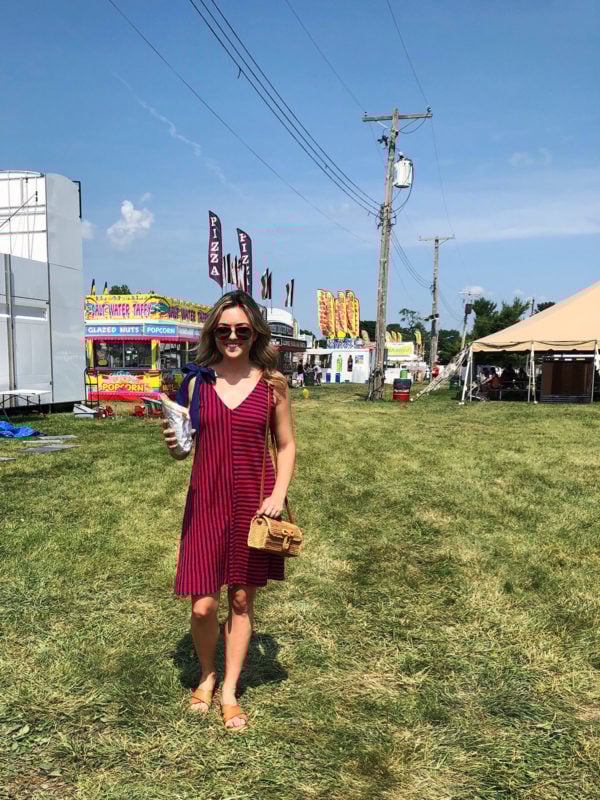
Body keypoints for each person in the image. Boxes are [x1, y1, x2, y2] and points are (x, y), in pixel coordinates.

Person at [162, 290, 295, 730]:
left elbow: (287, 445)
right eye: (223, 330)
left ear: (254, 331)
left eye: (241, 329)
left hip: (252, 505)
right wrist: (174, 447)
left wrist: (278, 494)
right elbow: (183, 449)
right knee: (202, 605)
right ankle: (206, 672)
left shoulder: (272, 382)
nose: (232, 337)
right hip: (206, 502)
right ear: (213, 333)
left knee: (241, 597)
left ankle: (230, 689)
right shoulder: (198, 381)